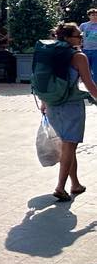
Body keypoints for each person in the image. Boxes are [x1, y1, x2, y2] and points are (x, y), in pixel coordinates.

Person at [42, 22, 97, 201]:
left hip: (52, 104)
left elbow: (45, 79)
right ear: (67, 38)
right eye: (78, 36)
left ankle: (75, 184)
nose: (81, 38)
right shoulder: (79, 57)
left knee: (68, 146)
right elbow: (90, 85)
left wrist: (44, 101)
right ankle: (60, 187)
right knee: (69, 145)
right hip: (71, 106)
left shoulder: (49, 54)